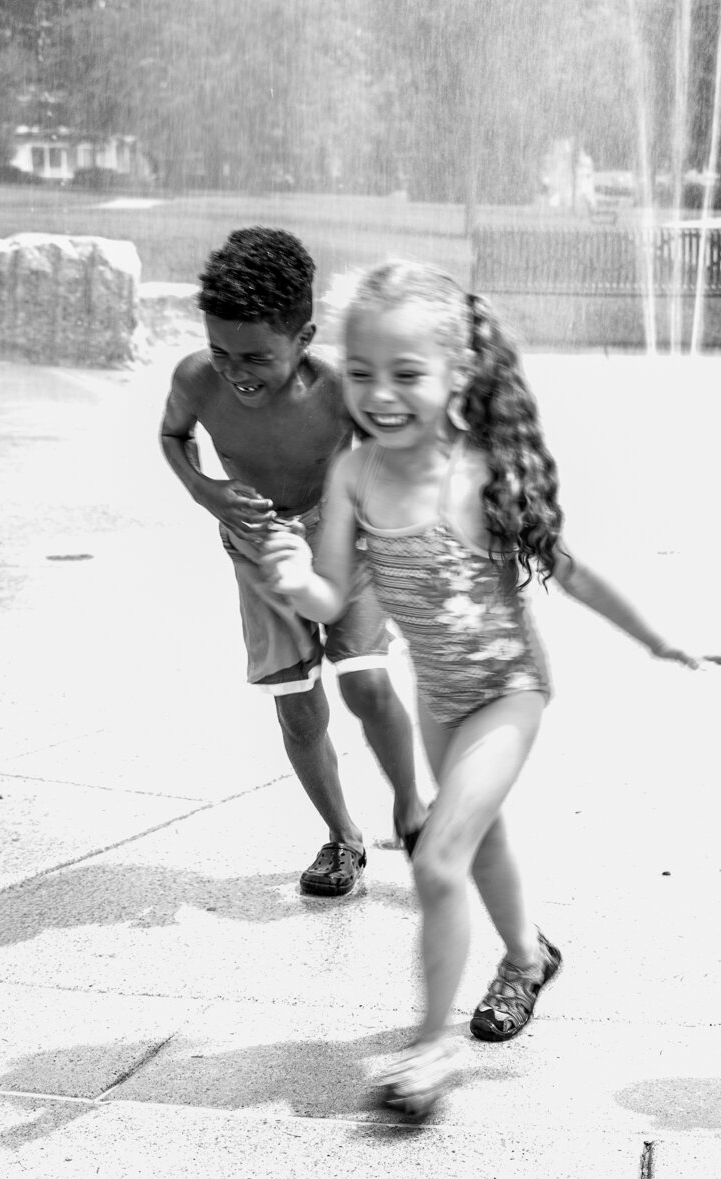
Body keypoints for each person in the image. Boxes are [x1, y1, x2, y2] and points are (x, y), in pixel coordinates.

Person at [261, 260, 721, 1116]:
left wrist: (659, 638)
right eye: (361, 373)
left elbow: (570, 571)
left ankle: (431, 1046)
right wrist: (297, 580)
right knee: (482, 844)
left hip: (509, 690)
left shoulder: (478, 478)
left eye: (407, 374)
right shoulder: (353, 476)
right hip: (441, 696)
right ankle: (529, 954)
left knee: (438, 854)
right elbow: (333, 597)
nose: (381, 394)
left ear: (458, 376)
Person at [158, 227, 425, 899]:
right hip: (259, 555)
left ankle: (415, 814)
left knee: (366, 684)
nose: (234, 371)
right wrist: (205, 489)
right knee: (300, 713)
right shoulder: (196, 379)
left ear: (304, 337)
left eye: (253, 355)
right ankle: (342, 837)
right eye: (220, 350)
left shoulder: (337, 388)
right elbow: (172, 434)